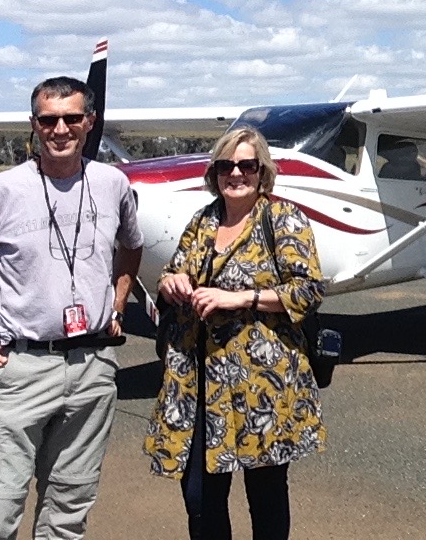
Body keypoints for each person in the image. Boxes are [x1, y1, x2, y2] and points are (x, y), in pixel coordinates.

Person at [0, 76, 143, 540]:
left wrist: (118, 303)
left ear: (90, 122)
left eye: (71, 118)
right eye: (48, 120)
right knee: (0, 507)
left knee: (69, 507)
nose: (60, 129)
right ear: (34, 124)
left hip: (92, 367)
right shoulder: (1, 190)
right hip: (20, 368)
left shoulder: (112, 184)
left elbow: (132, 245)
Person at [144, 126, 326, 540]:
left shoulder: (282, 219)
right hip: (197, 381)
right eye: (226, 165)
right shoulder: (203, 220)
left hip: (261, 383)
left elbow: (309, 290)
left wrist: (240, 298)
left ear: (263, 172)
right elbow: (174, 270)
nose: (236, 174)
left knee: (266, 493)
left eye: (247, 165)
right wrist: (171, 282)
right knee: (199, 496)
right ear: (215, 172)